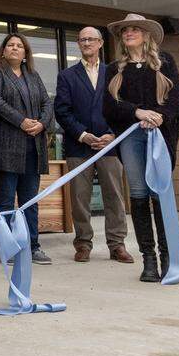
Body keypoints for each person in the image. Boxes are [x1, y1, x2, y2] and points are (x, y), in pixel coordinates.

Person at [102, 13, 179, 283]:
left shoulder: (165, 62)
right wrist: (137, 112)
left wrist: (159, 116)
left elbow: (177, 99)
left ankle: (168, 257)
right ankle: (148, 259)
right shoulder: (115, 68)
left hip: (161, 136)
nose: (129, 33)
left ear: (147, 35)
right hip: (132, 136)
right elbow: (109, 106)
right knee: (138, 193)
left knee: (159, 193)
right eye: (125, 30)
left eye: (135, 29)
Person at [54, 26, 133, 264]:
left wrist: (112, 134)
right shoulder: (66, 76)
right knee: (79, 198)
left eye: (91, 39)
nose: (87, 43)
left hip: (111, 145)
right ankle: (83, 244)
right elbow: (62, 111)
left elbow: (125, 107)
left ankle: (117, 244)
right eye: (82, 39)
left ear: (100, 43)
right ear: (78, 44)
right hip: (80, 146)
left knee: (114, 196)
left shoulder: (116, 72)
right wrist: (82, 134)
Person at [0, 33, 54, 264]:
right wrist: (21, 121)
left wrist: (42, 123)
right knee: (5, 200)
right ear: (3, 50)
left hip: (32, 146)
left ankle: (33, 245)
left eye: (19, 46)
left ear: (25, 53)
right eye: (10, 45)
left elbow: (47, 102)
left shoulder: (33, 75)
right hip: (5, 146)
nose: (14, 48)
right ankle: (7, 248)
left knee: (30, 200)